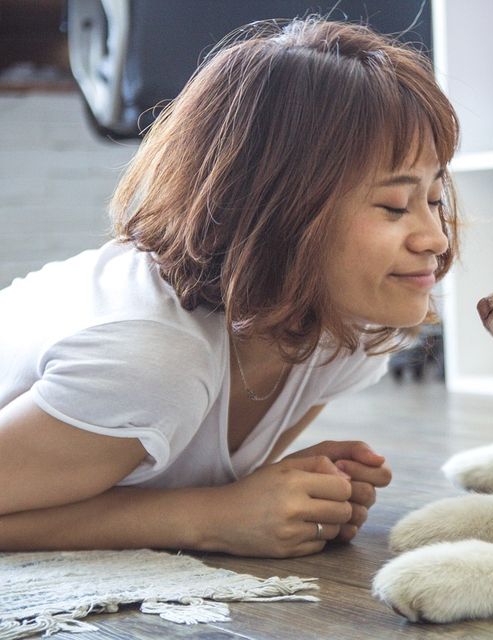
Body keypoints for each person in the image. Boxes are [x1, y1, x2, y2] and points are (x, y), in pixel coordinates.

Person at [0, 17, 459, 558]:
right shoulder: (151, 360)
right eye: (393, 206)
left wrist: (286, 494)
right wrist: (208, 518)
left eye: (434, 199)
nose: (434, 238)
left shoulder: (345, 329)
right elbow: (203, 506)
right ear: (278, 211)